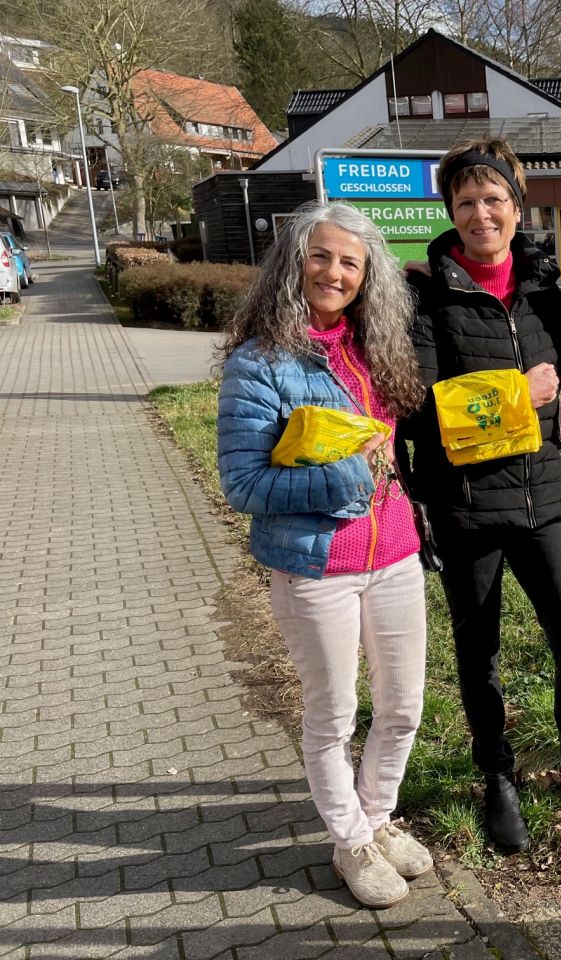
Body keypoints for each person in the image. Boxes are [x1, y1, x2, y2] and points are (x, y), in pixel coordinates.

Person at [403, 138, 561, 854]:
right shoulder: (425, 294)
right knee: (481, 657)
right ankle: (497, 776)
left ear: (516, 206)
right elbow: (416, 407)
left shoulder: (538, 291)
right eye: (467, 201)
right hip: (466, 504)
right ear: (450, 210)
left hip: (543, 500)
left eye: (494, 199)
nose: (481, 214)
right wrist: (517, 392)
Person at [216, 201, 432, 908]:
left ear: (368, 277)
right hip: (316, 567)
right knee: (333, 716)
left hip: (395, 553)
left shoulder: (377, 346)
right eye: (320, 255)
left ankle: (377, 817)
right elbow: (243, 482)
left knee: (402, 707)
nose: (334, 272)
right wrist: (349, 476)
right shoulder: (261, 362)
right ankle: (350, 842)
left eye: (350, 261)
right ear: (292, 263)